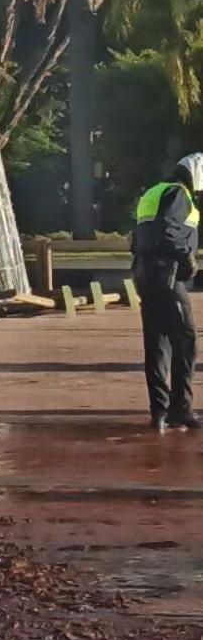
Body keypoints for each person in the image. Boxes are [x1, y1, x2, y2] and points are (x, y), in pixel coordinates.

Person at [131, 153, 203, 432]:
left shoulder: (153, 192)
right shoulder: (178, 194)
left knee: (157, 342)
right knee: (185, 340)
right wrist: (187, 257)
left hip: (144, 273)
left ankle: (159, 411)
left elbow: (138, 237)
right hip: (167, 274)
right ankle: (181, 409)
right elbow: (168, 231)